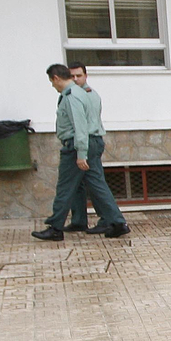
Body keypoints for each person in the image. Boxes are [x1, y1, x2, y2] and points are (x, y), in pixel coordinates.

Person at [31, 65, 129, 241]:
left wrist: (81, 153)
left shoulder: (72, 96)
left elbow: (80, 127)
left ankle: (55, 227)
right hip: (90, 142)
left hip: (77, 145)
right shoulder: (83, 93)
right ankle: (117, 222)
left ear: (56, 78)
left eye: (51, 82)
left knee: (65, 187)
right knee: (97, 185)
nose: (53, 86)